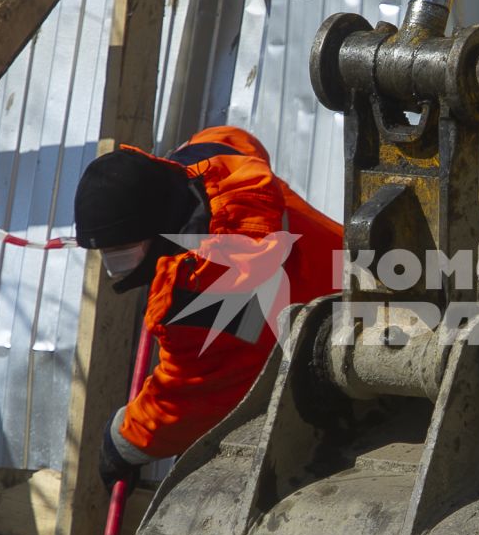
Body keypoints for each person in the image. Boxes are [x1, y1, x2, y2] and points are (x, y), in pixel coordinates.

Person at [73, 126, 343, 490]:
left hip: (345, 348)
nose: (116, 270)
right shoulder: (216, 165)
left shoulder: (204, 296)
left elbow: (192, 403)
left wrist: (123, 442)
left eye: (122, 257)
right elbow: (234, 136)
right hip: (362, 270)